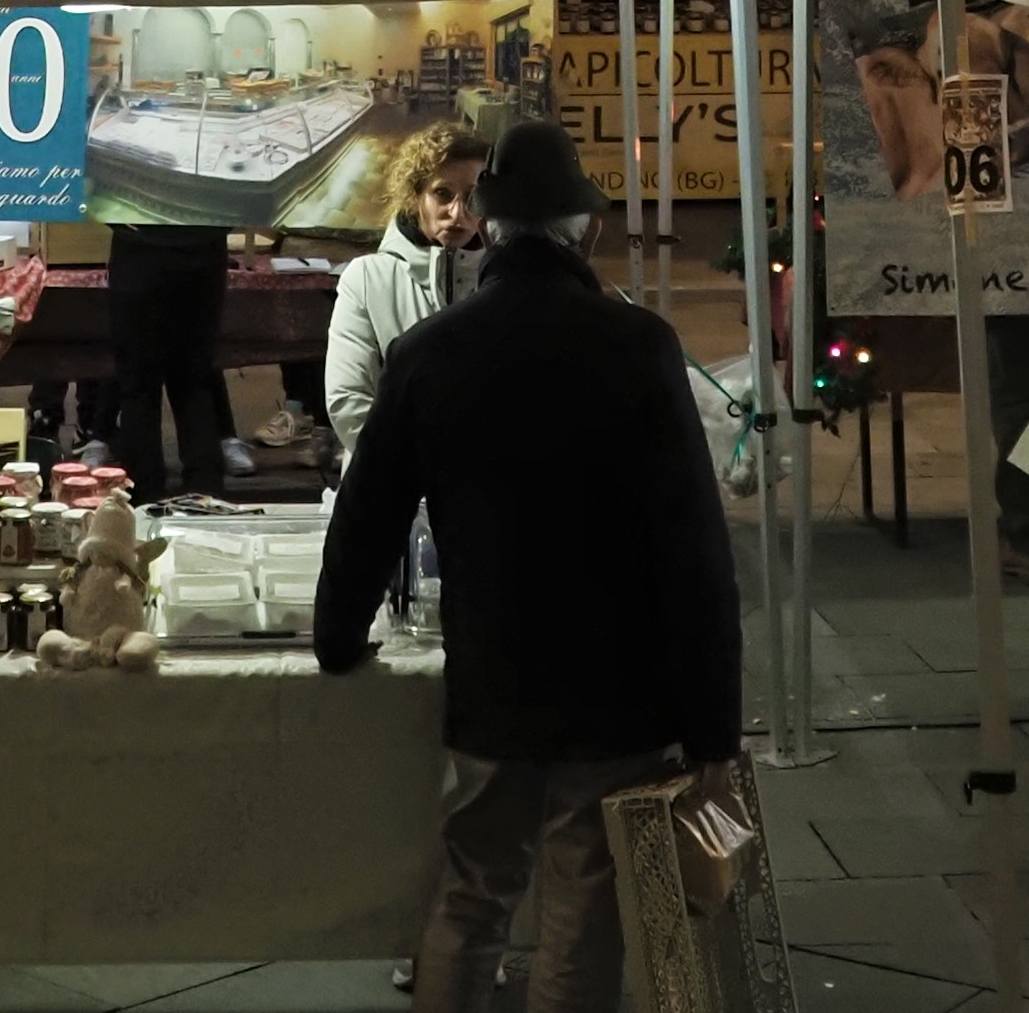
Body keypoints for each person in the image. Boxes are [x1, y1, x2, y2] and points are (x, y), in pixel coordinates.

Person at [316, 122, 739, 1013]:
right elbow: (694, 545)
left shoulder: (430, 353)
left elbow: (369, 516)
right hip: (616, 683)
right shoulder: (640, 346)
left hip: (493, 670)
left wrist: (336, 636)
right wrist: (713, 730)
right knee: (584, 899)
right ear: (581, 229)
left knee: (473, 891)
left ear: (493, 228)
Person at [330, 126, 488, 456]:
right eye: (443, 194)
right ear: (415, 197)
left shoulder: (501, 285)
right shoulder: (366, 280)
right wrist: (415, 475)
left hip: (478, 498)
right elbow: (348, 402)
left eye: (473, 197)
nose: (458, 213)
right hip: (390, 495)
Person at [104, 215, 243, 501]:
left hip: (137, 246)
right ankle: (204, 491)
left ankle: (142, 494)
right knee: (195, 381)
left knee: (138, 387)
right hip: (203, 243)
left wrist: (117, 222)